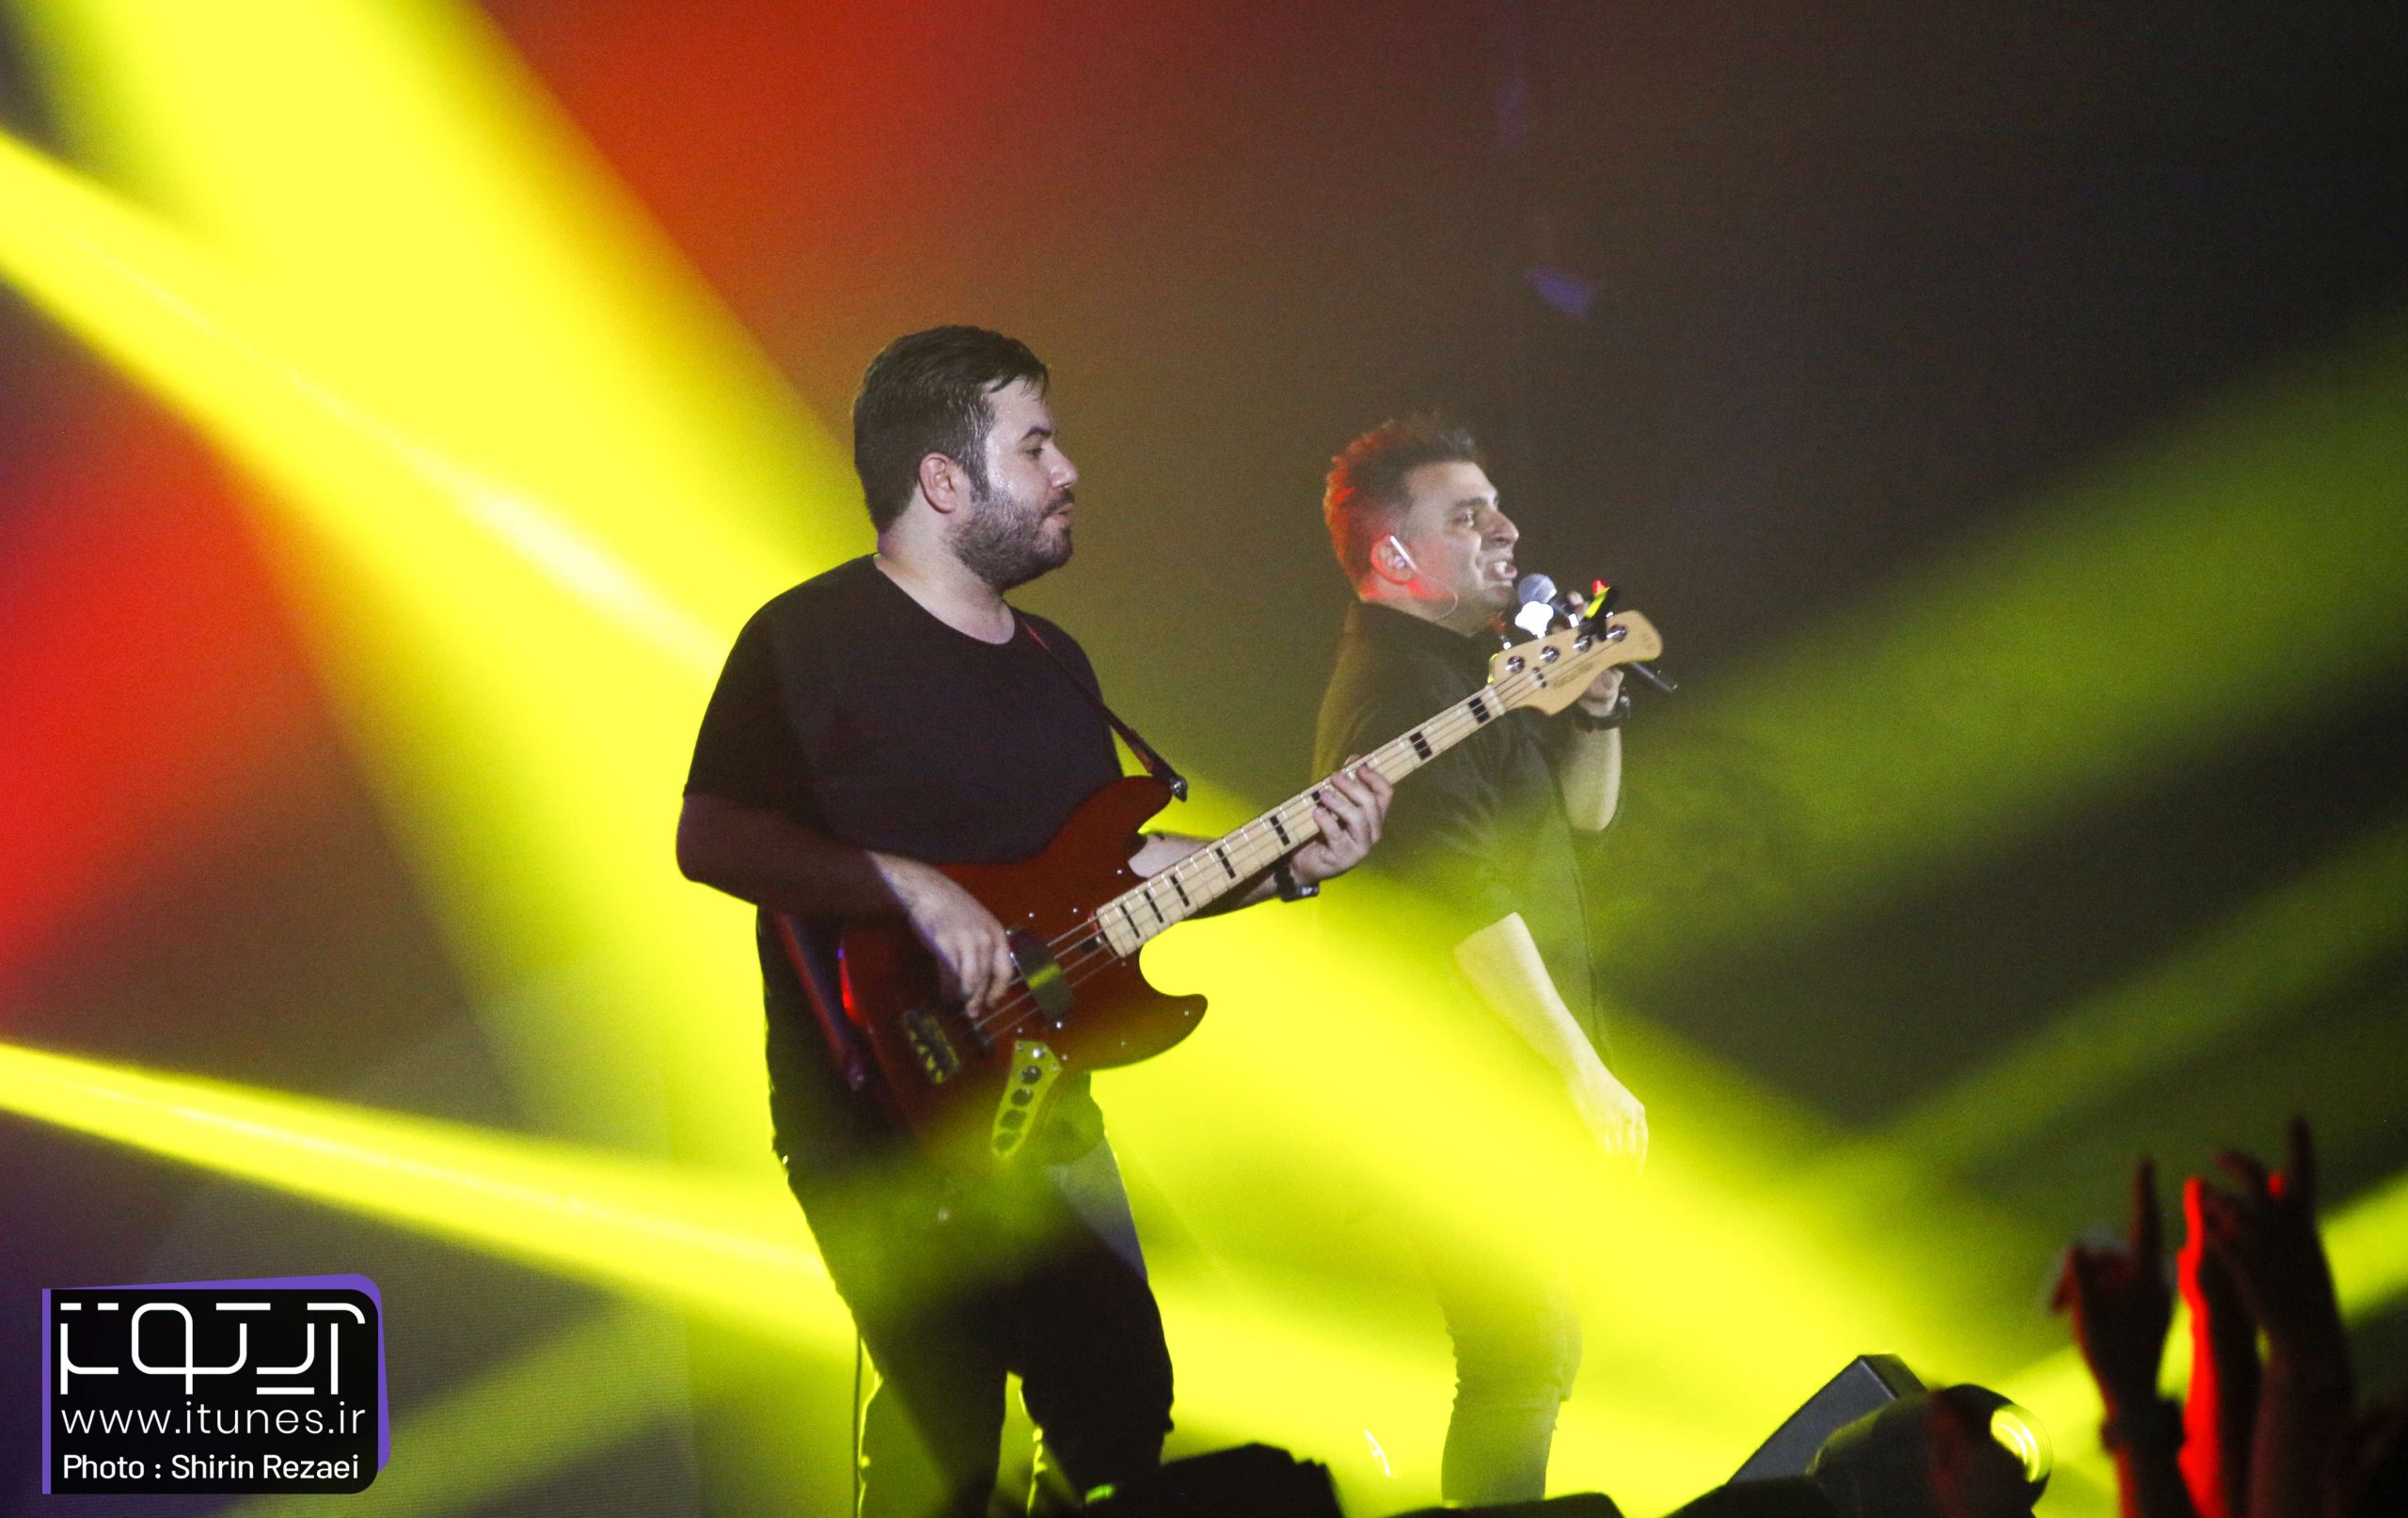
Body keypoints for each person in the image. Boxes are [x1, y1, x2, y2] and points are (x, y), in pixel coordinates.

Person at [677, 326, 1393, 1518]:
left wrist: (1287, 864)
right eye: (1035, 446)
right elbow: (710, 839)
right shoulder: (805, 641)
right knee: (955, 1441)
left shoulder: (1055, 661)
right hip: (878, 1115)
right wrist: (910, 884)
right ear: (943, 480)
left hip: (1046, 1101)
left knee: (1119, 1407)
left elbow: (1117, 870)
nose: (1068, 472)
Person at [1310, 414, 1643, 1504]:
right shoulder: (1398, 690)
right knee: (1521, 1354)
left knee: (1532, 1353)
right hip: (1449, 1086)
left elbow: (1582, 821)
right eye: (1467, 516)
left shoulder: (1463, 674)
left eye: (1496, 508)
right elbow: (1459, 898)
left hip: (1488, 1074)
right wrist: (1578, 1067)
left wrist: (1596, 711)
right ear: (1394, 554)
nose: (1506, 531)